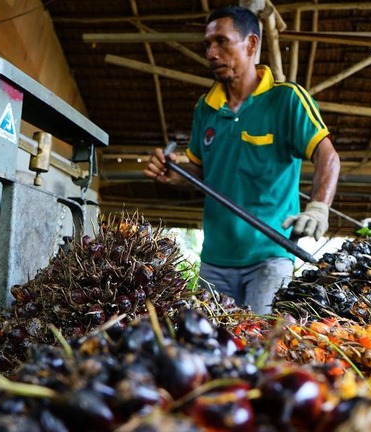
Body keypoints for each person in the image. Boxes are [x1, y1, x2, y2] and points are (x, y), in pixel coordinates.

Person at [143, 5, 340, 315]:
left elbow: (328, 156)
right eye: (208, 44)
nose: (211, 52)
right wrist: (173, 172)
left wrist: (318, 208)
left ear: (251, 44)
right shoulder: (205, 108)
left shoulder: (286, 99)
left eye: (222, 41)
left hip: (270, 256)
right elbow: (199, 171)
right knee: (210, 347)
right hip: (215, 259)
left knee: (259, 346)